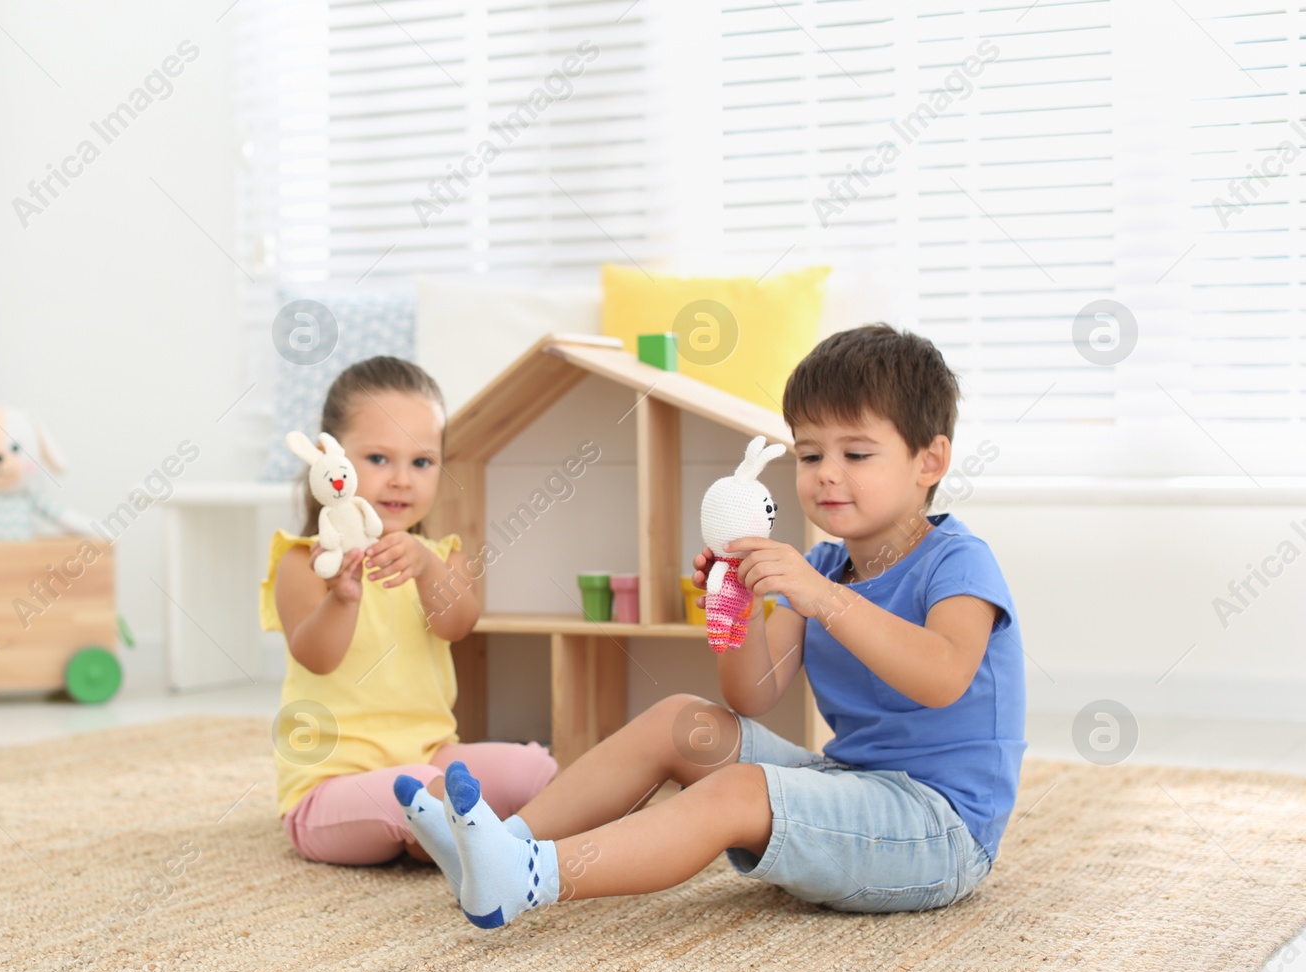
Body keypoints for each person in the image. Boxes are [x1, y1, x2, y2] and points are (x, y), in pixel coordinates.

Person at [396, 324, 1026, 928]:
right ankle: (500, 845)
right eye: (810, 454)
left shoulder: (957, 562)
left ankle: (528, 877)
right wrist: (736, 610)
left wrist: (822, 597)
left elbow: (943, 675)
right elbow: (752, 695)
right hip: (854, 786)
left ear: (930, 461)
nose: (827, 472)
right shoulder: (825, 564)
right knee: (682, 720)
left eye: (856, 453)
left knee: (740, 793)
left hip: (940, 830)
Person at [261, 355, 558, 879]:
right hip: (330, 786)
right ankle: (478, 842)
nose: (401, 480)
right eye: (379, 458)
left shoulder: (443, 556)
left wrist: (426, 568)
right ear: (333, 460)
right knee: (426, 792)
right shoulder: (302, 560)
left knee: (535, 770)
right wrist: (343, 599)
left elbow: (457, 624)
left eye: (422, 463)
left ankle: (469, 835)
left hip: (432, 756)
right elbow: (318, 657)